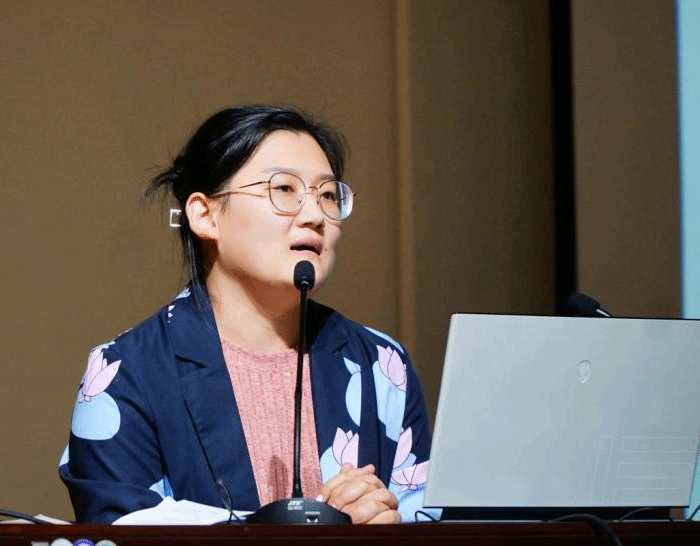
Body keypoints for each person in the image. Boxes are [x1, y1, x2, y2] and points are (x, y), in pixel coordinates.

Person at [58, 105, 433, 524]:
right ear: (205, 215)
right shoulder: (125, 373)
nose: (314, 216)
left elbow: (434, 520)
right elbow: (119, 527)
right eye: (284, 189)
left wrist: (386, 526)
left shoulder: (381, 364)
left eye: (328, 195)